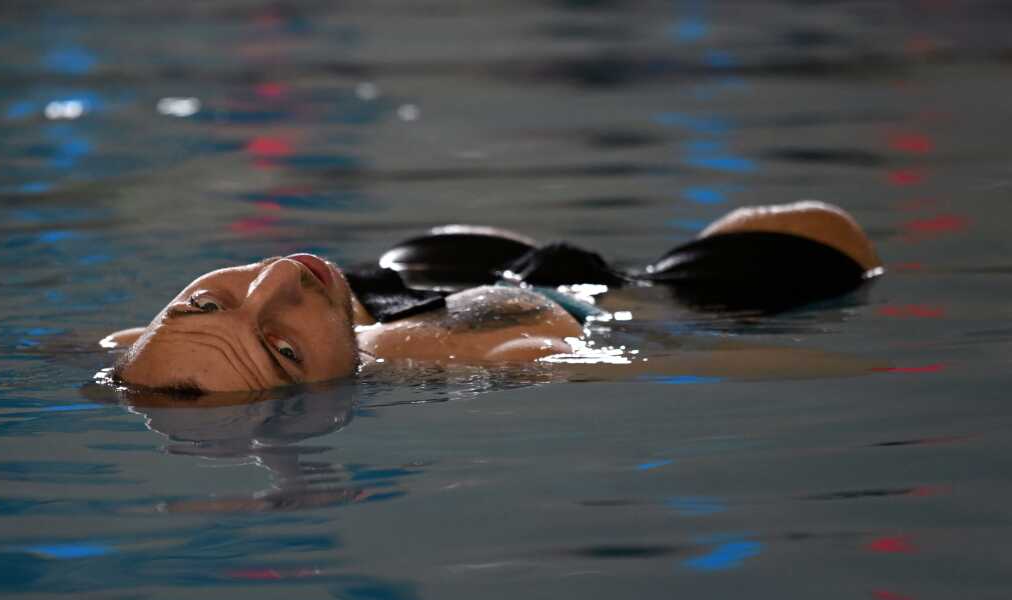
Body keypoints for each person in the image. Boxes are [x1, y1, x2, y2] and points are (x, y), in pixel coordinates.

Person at [102, 200, 882, 395]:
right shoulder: (481, 364)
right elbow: (664, 367)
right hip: (594, 296)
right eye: (282, 344)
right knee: (822, 235)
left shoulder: (150, 354)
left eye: (206, 302)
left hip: (413, 275)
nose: (276, 278)